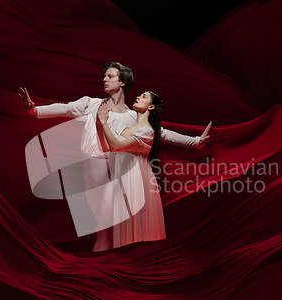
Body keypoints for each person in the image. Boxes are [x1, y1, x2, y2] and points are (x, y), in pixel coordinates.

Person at [19, 61, 211, 251]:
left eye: (110, 76)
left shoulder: (133, 117)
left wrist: (195, 141)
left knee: (106, 231)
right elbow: (65, 108)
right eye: (104, 76)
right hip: (90, 168)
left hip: (116, 172)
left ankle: (105, 270)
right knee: (102, 230)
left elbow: (162, 132)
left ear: (122, 83)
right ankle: (105, 268)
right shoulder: (92, 104)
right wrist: (35, 110)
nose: (104, 79)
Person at [96, 91, 166, 248]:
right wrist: (100, 125)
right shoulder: (125, 130)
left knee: (140, 228)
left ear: (151, 106)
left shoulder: (148, 130)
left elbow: (115, 146)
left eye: (143, 97)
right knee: (125, 229)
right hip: (123, 183)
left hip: (139, 183)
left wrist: (104, 122)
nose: (138, 97)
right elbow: (106, 147)